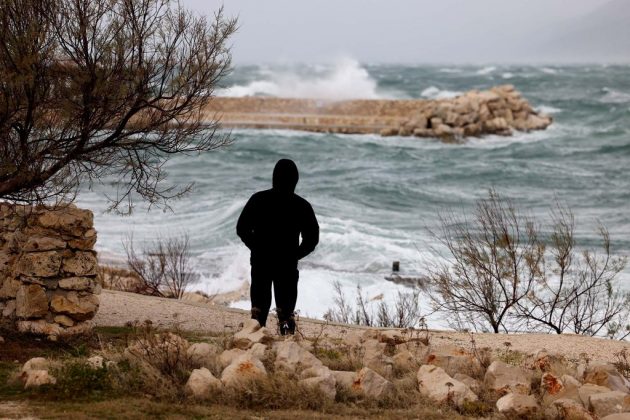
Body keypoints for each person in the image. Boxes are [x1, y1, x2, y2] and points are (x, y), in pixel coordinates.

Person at [236, 159, 319, 335]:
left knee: (258, 314)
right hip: (286, 265)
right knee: (286, 315)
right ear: (295, 180)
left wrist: (256, 247)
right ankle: (286, 348)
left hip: (261, 262)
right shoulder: (302, 206)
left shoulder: (258, 199)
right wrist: (295, 255)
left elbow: (242, 228)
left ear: (274, 177)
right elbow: (312, 239)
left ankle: (254, 347)